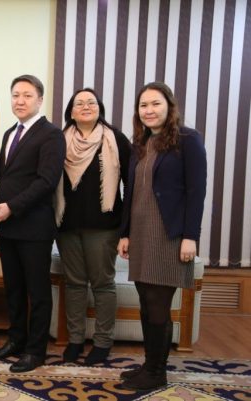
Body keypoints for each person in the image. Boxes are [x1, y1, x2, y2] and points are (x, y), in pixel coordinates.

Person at [117, 82, 207, 390]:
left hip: (168, 235)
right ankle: (149, 364)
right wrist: (125, 233)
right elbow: (131, 192)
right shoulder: (141, 143)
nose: (149, 110)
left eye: (155, 103)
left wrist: (190, 236)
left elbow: (196, 191)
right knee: (145, 303)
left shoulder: (188, 140)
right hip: (141, 233)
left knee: (157, 305)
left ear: (169, 106)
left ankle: (157, 373)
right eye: (143, 105)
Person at [0, 74, 65, 373]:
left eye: (27, 95)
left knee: (38, 291)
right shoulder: (10, 132)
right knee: (14, 288)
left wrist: (12, 207)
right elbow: (8, 176)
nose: (20, 101)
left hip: (34, 226)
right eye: (16, 95)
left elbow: (46, 181)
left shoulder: (51, 134)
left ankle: (36, 351)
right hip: (7, 225)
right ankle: (16, 340)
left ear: (40, 100)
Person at [54, 88, 131, 365]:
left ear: (99, 108)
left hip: (104, 227)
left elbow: (131, 186)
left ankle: (102, 342)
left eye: (91, 102)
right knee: (74, 284)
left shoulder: (116, 139)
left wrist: (127, 231)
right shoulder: (58, 140)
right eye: (79, 103)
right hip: (67, 226)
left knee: (102, 284)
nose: (86, 106)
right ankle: (75, 340)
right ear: (71, 112)